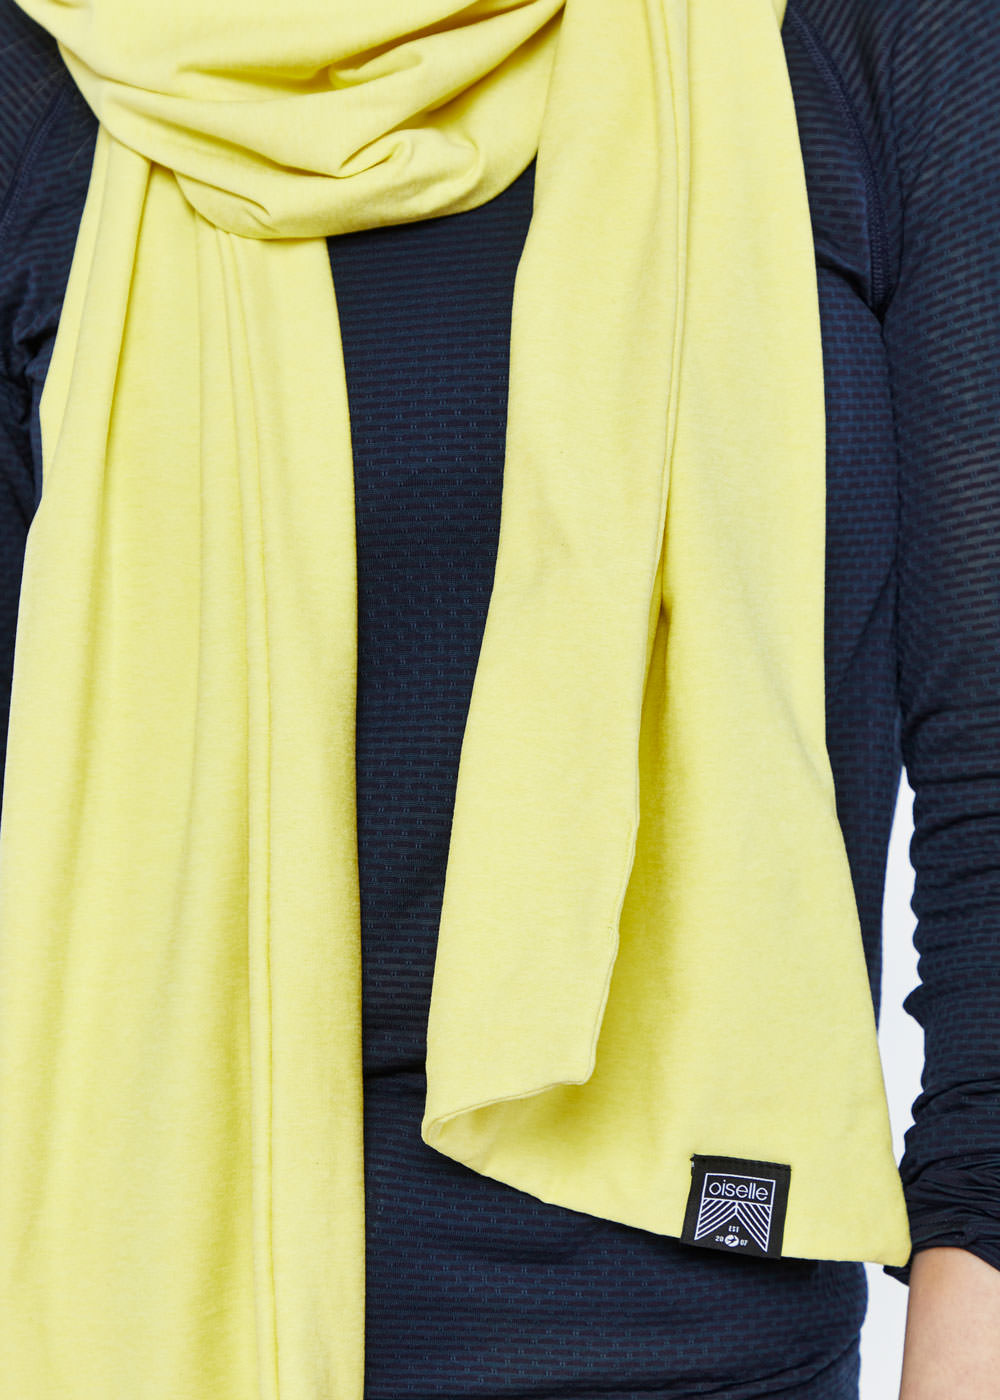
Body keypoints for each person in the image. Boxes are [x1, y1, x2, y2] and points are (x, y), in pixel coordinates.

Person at [0, 0, 998, 1396]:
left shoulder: (859, 38)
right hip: (137, 1319)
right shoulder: (56, 74)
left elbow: (986, 747)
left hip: (695, 1337)